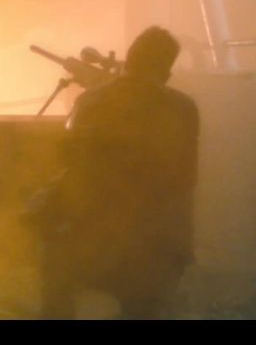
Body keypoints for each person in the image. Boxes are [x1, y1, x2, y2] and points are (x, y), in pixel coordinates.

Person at [33, 26, 199, 319]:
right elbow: (186, 179)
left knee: (52, 255)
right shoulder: (183, 108)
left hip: (92, 245)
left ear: (129, 60)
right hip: (156, 251)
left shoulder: (89, 102)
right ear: (166, 72)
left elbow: (70, 166)